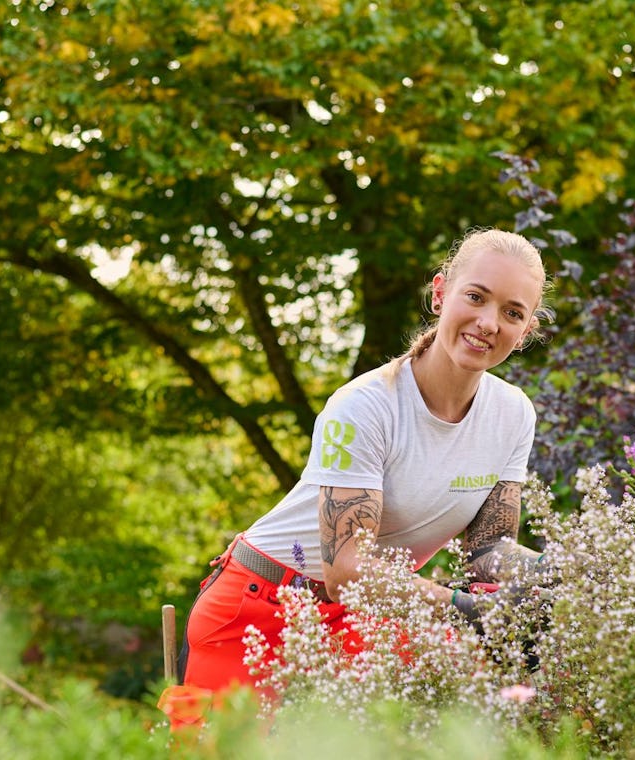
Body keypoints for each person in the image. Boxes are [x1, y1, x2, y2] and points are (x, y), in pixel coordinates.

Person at [159, 227, 552, 723]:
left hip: (368, 617)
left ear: (527, 330)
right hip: (261, 609)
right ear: (439, 293)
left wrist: (557, 577)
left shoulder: (513, 413)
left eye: (512, 313)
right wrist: (466, 612)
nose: (489, 322)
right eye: (475, 297)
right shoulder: (366, 406)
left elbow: (487, 551)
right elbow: (347, 569)